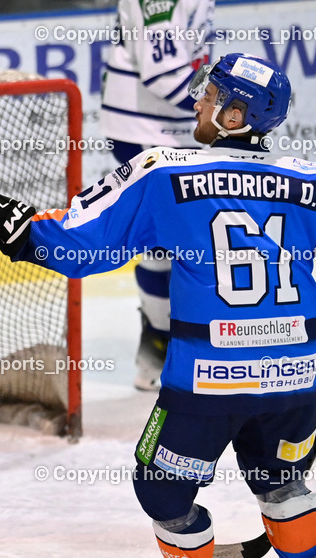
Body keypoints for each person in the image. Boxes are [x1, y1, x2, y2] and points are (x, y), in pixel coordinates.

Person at [0, 53, 316, 558]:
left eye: (209, 94)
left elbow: (74, 246)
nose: (197, 102)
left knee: (162, 491)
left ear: (234, 114)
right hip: (295, 375)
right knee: (282, 482)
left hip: (207, 380)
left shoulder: (164, 174)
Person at [100, 0, 215, 390]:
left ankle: (162, 351)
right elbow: (163, 73)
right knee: (174, 244)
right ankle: (163, 353)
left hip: (164, 128)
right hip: (146, 134)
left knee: (175, 244)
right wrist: (226, 113)